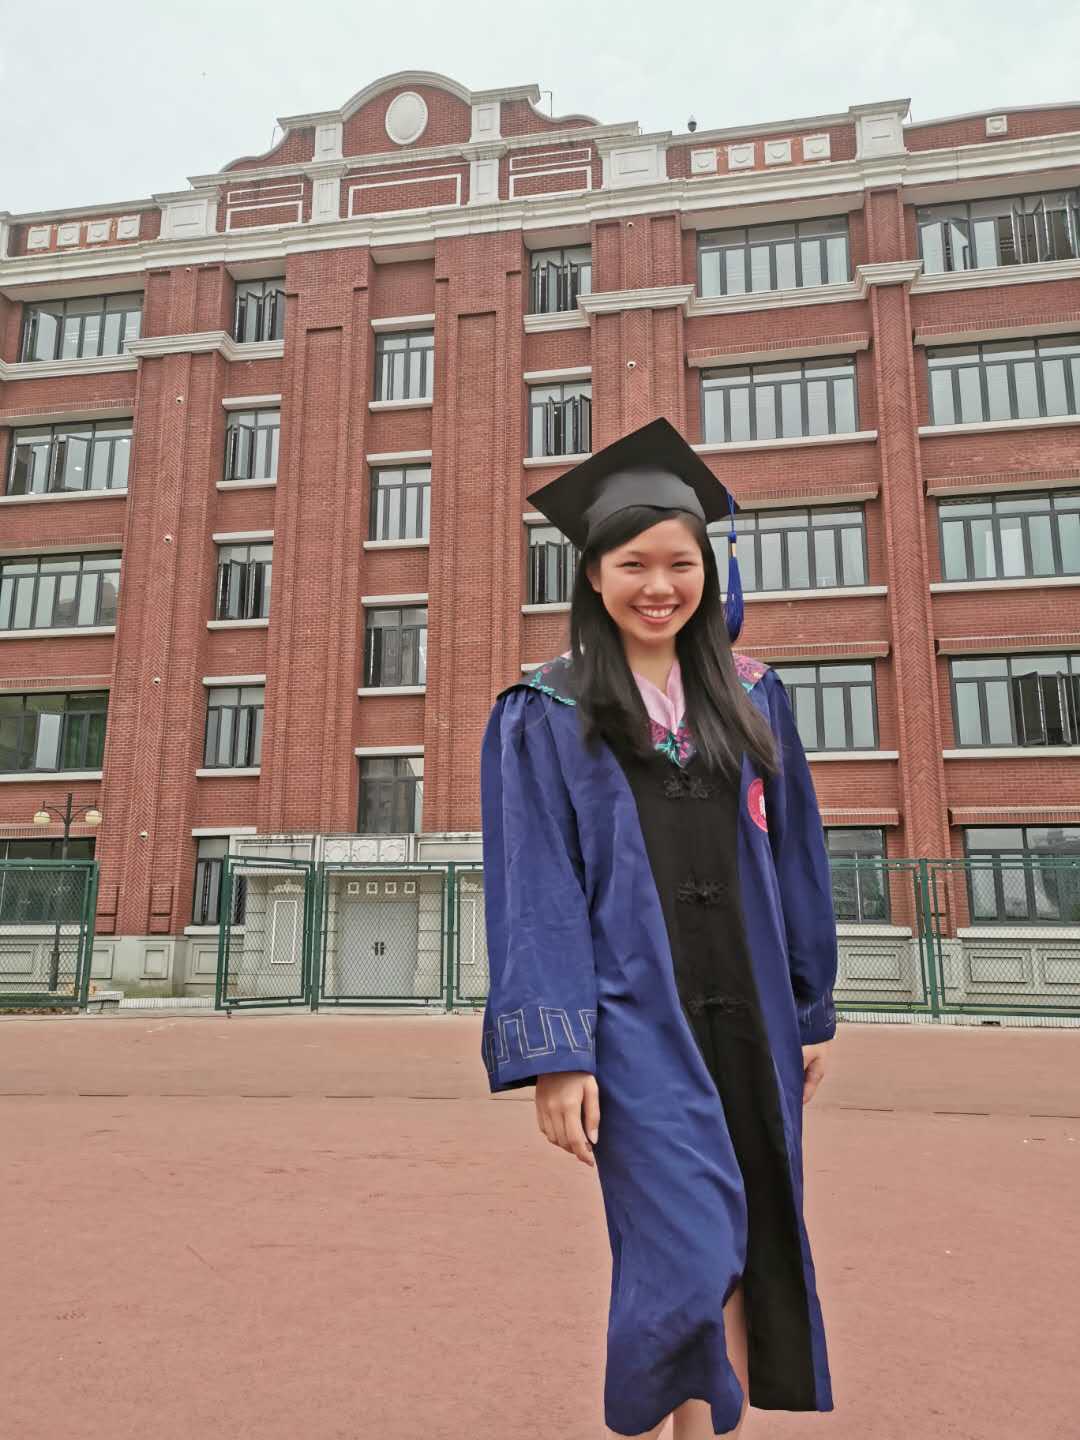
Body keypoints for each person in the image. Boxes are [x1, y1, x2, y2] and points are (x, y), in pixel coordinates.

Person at [479, 417, 837, 1438]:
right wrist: (558, 1051)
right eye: (632, 564)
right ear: (593, 577)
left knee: (753, 1233)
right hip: (635, 1016)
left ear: (707, 573)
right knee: (685, 1247)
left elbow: (798, 855)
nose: (659, 585)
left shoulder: (754, 695)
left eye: (680, 563)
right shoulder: (545, 710)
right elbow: (536, 887)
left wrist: (810, 1007)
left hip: (754, 1007)